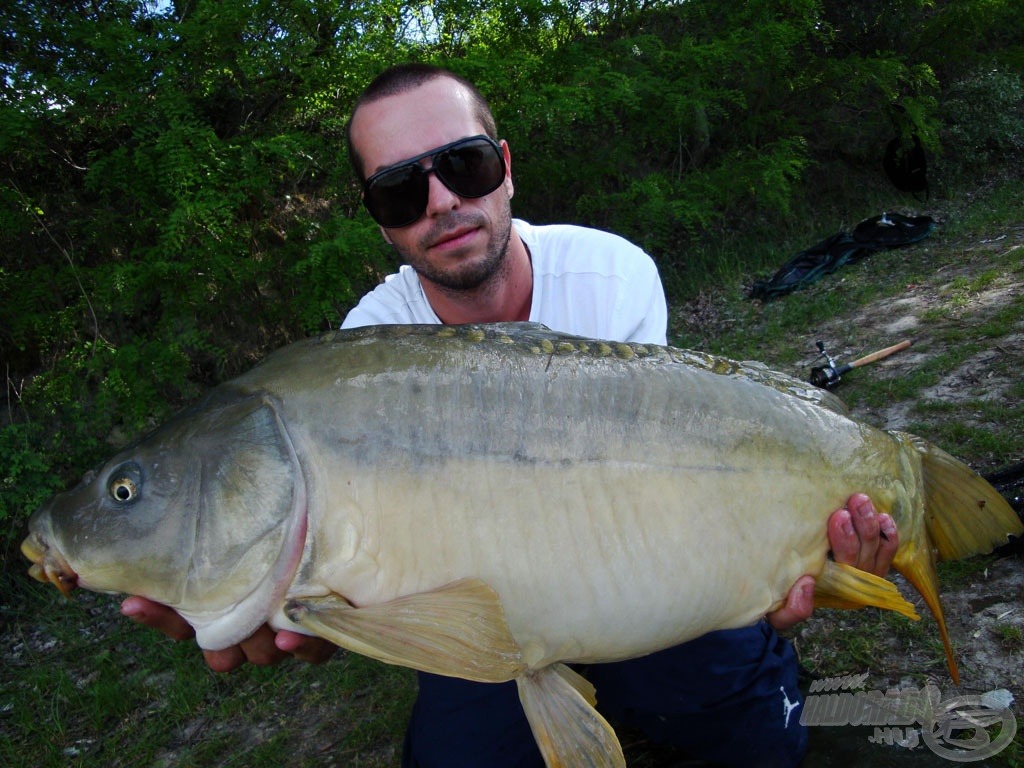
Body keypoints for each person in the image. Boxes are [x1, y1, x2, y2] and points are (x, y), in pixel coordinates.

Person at [122, 63, 899, 767]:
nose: (442, 201)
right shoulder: (357, 358)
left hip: (634, 574)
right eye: (399, 189)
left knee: (759, 737)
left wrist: (768, 573)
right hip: (480, 626)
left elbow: (667, 499)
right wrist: (314, 613)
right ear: (380, 220)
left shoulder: (613, 274)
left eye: (465, 164)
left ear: (506, 167)